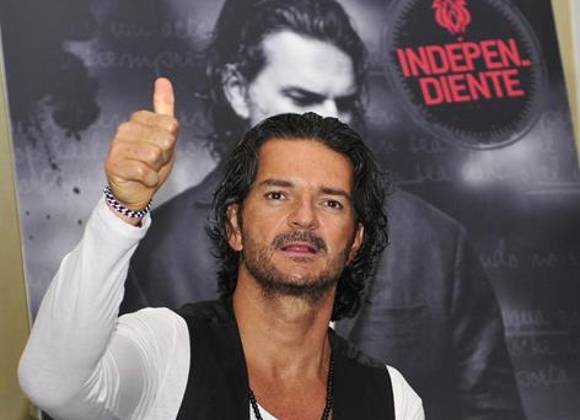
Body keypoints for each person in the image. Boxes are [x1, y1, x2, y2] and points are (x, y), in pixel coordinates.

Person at [121, 1, 525, 418]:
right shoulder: (158, 250)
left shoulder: (436, 241)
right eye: (303, 96)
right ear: (237, 89)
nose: (332, 118)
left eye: (344, 101)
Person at [18, 79, 424, 419]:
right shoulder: (168, 348)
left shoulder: (391, 398)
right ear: (234, 226)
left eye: (331, 202)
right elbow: (53, 384)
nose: (304, 218)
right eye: (277, 195)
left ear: (355, 241)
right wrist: (122, 208)